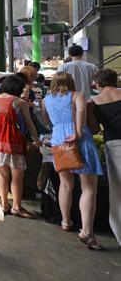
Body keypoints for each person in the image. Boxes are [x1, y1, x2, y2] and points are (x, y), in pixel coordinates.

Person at [43, 71, 103, 250]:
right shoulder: (77, 95)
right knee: (89, 187)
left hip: (58, 140)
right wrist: (76, 132)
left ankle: (65, 221)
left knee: (65, 184)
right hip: (79, 140)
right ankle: (86, 230)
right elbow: (82, 111)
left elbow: (47, 121)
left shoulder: (45, 100)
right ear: (71, 82)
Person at [0, 75, 41, 217]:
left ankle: (4, 204)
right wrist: (36, 140)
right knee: (17, 176)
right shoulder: (19, 102)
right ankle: (17, 207)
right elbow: (29, 125)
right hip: (12, 141)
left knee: (3, 174)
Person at [88, 68, 121, 246]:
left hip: (114, 145)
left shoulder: (93, 102)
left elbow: (94, 129)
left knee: (117, 192)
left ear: (98, 84)